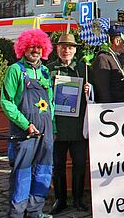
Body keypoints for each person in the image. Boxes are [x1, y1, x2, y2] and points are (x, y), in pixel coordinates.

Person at [1, 29, 54, 217]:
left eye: (39, 47)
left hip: (45, 132)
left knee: (43, 171)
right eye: (32, 46)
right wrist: (25, 124)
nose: (36, 50)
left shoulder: (45, 71)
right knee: (22, 174)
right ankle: (17, 213)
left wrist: (52, 126)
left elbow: (50, 101)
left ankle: (35, 211)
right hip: (24, 132)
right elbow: (6, 102)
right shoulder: (15, 70)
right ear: (23, 48)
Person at [47, 34, 90, 214]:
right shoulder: (48, 70)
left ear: (75, 50)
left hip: (78, 127)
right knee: (58, 165)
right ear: (57, 49)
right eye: (63, 47)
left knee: (80, 163)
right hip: (57, 127)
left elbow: (94, 96)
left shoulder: (83, 69)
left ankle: (79, 199)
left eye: (70, 47)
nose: (67, 50)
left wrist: (90, 89)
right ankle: (60, 199)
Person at [92, 25, 124, 103]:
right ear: (117, 41)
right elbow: (103, 89)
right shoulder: (103, 58)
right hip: (115, 106)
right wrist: (109, 108)